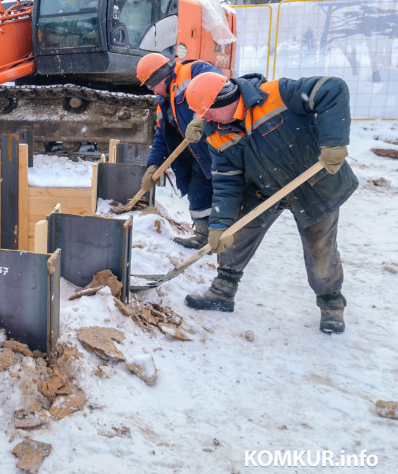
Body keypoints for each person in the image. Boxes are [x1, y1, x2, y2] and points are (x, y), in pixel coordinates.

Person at [183, 71, 357, 334]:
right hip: (263, 188)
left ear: (227, 100)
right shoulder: (217, 133)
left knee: (320, 247)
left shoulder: (277, 95)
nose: (205, 118)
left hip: (315, 183)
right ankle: (222, 292)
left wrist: (334, 142)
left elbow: (332, 88)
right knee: (236, 233)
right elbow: (227, 183)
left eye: (207, 111)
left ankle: (331, 304)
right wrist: (220, 224)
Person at [136, 53, 223, 248]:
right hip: (197, 156)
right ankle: (203, 236)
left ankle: (224, 237)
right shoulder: (163, 102)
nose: (152, 91)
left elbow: (219, 86)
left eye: (151, 86)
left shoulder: (194, 71)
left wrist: (202, 117)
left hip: (218, 147)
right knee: (198, 192)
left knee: (225, 192)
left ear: (160, 77)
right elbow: (162, 136)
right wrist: (153, 165)